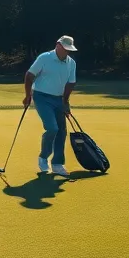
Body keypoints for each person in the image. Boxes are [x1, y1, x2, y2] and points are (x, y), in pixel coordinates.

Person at [22, 35, 78, 176]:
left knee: (62, 131)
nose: (67, 52)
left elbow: (71, 83)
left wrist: (65, 102)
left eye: (69, 49)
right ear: (58, 45)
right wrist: (28, 95)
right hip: (41, 97)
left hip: (59, 99)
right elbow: (29, 75)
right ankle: (43, 157)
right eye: (65, 48)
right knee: (52, 128)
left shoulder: (71, 63)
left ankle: (57, 164)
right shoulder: (44, 58)